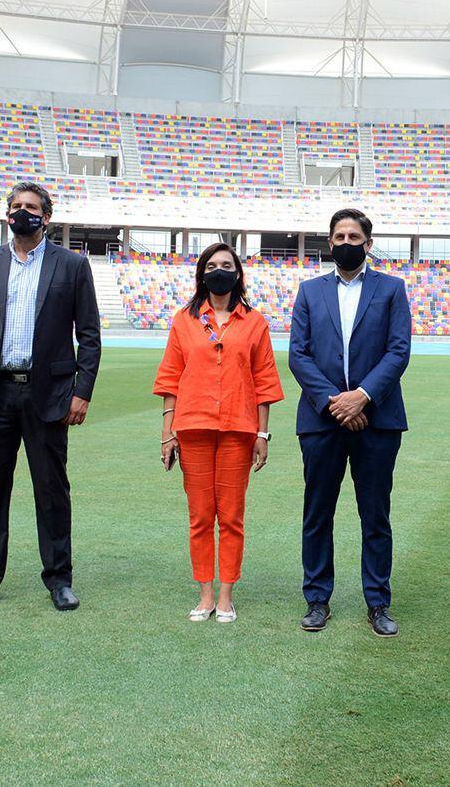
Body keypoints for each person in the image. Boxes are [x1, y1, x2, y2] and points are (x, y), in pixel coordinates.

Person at [0, 181, 101, 612]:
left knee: (52, 490)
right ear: (6, 213)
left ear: (46, 217)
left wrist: (81, 391)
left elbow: (88, 335)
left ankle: (59, 578)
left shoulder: (71, 265)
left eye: (31, 206)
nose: (22, 212)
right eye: (15, 206)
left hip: (48, 394)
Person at [288, 208, 412, 637]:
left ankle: (378, 602)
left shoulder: (392, 289)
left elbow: (398, 351)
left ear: (368, 243)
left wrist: (361, 397)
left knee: (375, 515)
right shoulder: (309, 291)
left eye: (353, 235)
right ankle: (317, 599)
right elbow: (298, 355)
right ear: (330, 242)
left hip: (376, 421)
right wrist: (333, 403)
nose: (346, 241)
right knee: (317, 513)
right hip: (322, 422)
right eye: (339, 235)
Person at [152, 243, 284, 623]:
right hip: (192, 428)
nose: (219, 271)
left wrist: (263, 434)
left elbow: (264, 382)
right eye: (212, 265)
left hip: (238, 431)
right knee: (199, 516)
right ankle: (205, 593)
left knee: (231, 516)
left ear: (238, 274)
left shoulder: (254, 322)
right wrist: (167, 434)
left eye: (227, 265)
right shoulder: (184, 320)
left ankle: (226, 595)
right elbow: (170, 379)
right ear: (202, 274)